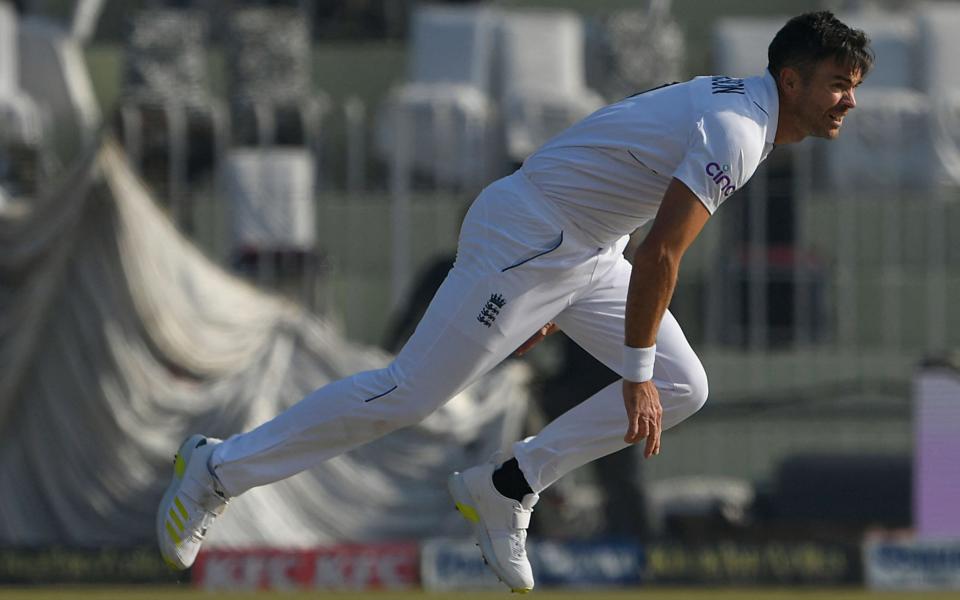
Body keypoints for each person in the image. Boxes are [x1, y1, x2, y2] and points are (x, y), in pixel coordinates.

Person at [156, 11, 872, 592]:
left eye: (856, 85)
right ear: (790, 78)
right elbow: (664, 255)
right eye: (839, 83)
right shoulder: (740, 131)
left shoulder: (740, 110)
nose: (850, 100)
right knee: (405, 394)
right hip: (531, 239)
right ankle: (217, 470)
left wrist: (593, 324)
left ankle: (510, 482)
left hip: (586, 249)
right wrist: (634, 372)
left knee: (689, 385)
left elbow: (626, 204)